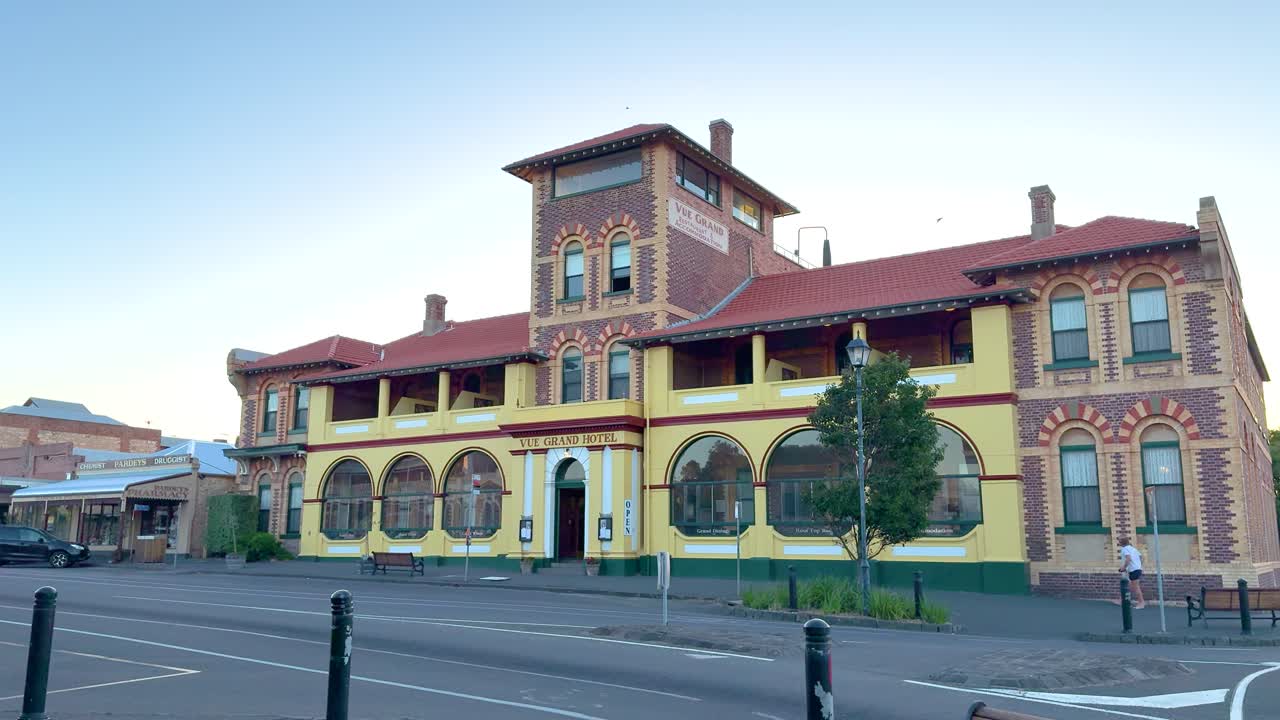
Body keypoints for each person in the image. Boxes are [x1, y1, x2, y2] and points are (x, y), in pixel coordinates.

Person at [1118, 536, 1145, 609]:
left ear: (1121, 543)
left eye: (1119, 541)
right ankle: (1121, 600)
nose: (1118, 542)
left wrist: (1123, 567)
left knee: (1136, 587)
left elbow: (1128, 558)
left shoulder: (1124, 549)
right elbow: (1141, 558)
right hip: (1137, 569)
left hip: (1134, 570)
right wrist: (1138, 565)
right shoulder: (1133, 548)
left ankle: (1141, 603)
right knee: (1129, 585)